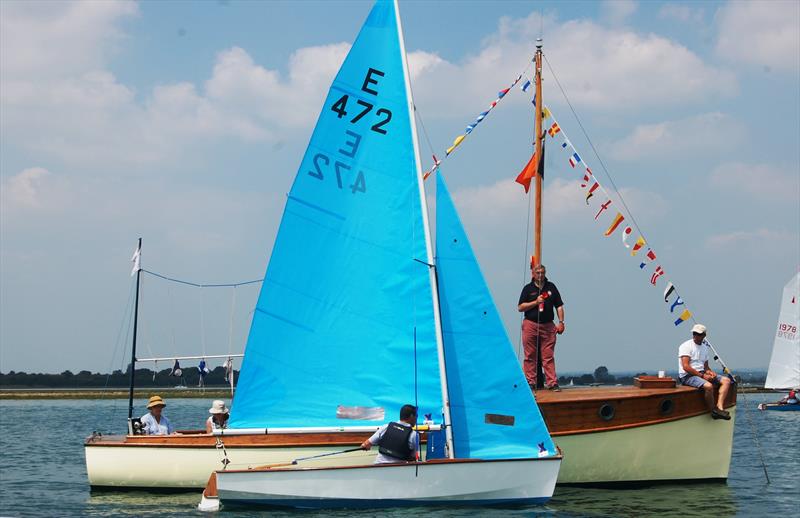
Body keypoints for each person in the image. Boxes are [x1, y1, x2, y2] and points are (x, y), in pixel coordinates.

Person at [518, 262, 565, 391]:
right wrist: (535, 302)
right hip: (531, 324)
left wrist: (561, 322)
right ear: (533, 274)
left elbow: (559, 305)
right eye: (537, 273)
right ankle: (530, 382)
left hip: (548, 326)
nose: (540, 275)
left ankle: (552, 383)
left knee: (548, 355)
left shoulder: (551, 287)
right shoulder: (528, 289)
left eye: (542, 273)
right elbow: (520, 307)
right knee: (530, 355)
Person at [678, 324, 732, 420]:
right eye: (694, 333)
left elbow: (706, 367)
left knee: (727, 381)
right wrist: (703, 376)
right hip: (687, 376)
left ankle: (720, 408)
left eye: (698, 334)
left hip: (702, 373)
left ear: (704, 335)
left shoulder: (704, 348)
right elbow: (685, 366)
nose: (695, 336)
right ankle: (713, 411)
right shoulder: (686, 346)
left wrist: (711, 373)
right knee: (708, 386)